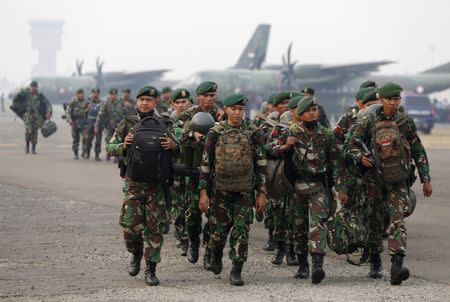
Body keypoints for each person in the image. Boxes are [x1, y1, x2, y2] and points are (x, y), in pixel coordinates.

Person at [346, 82, 432, 285]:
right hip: (373, 181)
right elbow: (351, 144)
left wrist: (426, 178)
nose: (393, 103)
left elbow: (417, 149)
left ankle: (397, 266)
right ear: (381, 100)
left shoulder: (405, 122)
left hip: (398, 181)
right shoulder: (368, 121)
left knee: (397, 220)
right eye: (390, 99)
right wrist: (360, 158)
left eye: (397, 99)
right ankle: (375, 262)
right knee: (375, 223)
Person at [106, 85, 178, 286]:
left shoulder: (164, 123)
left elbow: (178, 148)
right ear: (137, 101)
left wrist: (173, 146)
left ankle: (150, 269)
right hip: (134, 184)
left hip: (156, 185)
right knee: (130, 226)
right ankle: (136, 253)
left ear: (156, 102)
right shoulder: (128, 123)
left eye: (149, 99)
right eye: (142, 99)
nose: (145, 102)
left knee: (154, 228)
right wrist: (124, 145)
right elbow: (110, 147)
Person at [268, 96, 339, 284]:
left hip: (319, 187)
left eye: (315, 109)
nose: (312, 112)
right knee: (299, 227)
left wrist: (340, 187)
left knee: (317, 225)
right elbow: (269, 149)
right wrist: (284, 146)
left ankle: (317, 266)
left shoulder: (326, 134)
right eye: (308, 110)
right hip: (297, 188)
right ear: (300, 114)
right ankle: (302, 266)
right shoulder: (290, 131)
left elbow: (335, 161)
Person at [198, 93, 267, 286]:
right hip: (220, 191)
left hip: (245, 191)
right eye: (233, 109)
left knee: (241, 230)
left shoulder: (253, 132)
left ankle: (237, 269)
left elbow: (261, 163)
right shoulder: (215, 132)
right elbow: (206, 164)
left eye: (241, 109)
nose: (237, 113)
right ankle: (217, 251)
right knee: (219, 231)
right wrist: (203, 193)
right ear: (226, 109)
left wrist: (262, 193)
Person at [177, 81, 224, 270]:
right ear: (199, 97)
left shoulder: (221, 114)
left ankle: (209, 250)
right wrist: (192, 134)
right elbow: (175, 132)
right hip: (194, 172)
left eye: (213, 95)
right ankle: (194, 242)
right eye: (206, 95)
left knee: (215, 216)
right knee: (193, 214)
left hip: (216, 174)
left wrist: (223, 121)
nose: (210, 99)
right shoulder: (188, 114)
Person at [13, 81, 52, 154]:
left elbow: (47, 103)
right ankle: (27, 145)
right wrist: (23, 91)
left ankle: (33, 148)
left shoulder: (40, 95)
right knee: (29, 132)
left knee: (34, 132)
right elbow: (17, 98)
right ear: (30, 87)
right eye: (32, 87)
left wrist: (48, 112)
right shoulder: (26, 94)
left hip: (37, 117)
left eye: (35, 87)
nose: (33, 88)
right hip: (28, 116)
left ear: (37, 87)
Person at [96, 88, 124, 161]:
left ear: (116, 95)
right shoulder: (106, 103)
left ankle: (116, 156)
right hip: (109, 125)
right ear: (109, 95)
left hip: (119, 125)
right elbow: (101, 114)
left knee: (118, 140)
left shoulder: (120, 103)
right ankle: (109, 153)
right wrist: (99, 123)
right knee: (108, 139)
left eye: (114, 95)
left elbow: (125, 113)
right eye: (111, 95)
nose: (113, 96)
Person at [66, 89, 89, 159]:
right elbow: (68, 112)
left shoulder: (86, 102)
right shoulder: (73, 102)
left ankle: (84, 152)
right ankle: (75, 153)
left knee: (85, 138)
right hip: (75, 123)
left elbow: (90, 112)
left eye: (81, 94)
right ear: (76, 94)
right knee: (76, 139)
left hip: (84, 123)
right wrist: (69, 120)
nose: (80, 95)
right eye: (79, 94)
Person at [84, 88, 103, 160]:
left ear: (99, 94)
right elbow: (82, 112)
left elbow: (103, 113)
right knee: (89, 139)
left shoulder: (101, 103)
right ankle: (87, 153)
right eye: (94, 93)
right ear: (92, 93)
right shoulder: (87, 102)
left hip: (98, 123)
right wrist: (86, 109)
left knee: (98, 140)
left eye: (97, 93)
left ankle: (97, 155)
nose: (95, 94)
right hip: (90, 122)